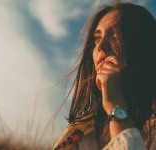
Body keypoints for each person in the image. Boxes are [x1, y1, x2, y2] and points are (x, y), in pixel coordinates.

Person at [53, 1, 156, 150]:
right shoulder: (82, 132)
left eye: (116, 35)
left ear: (144, 46)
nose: (100, 46)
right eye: (97, 38)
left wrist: (115, 104)